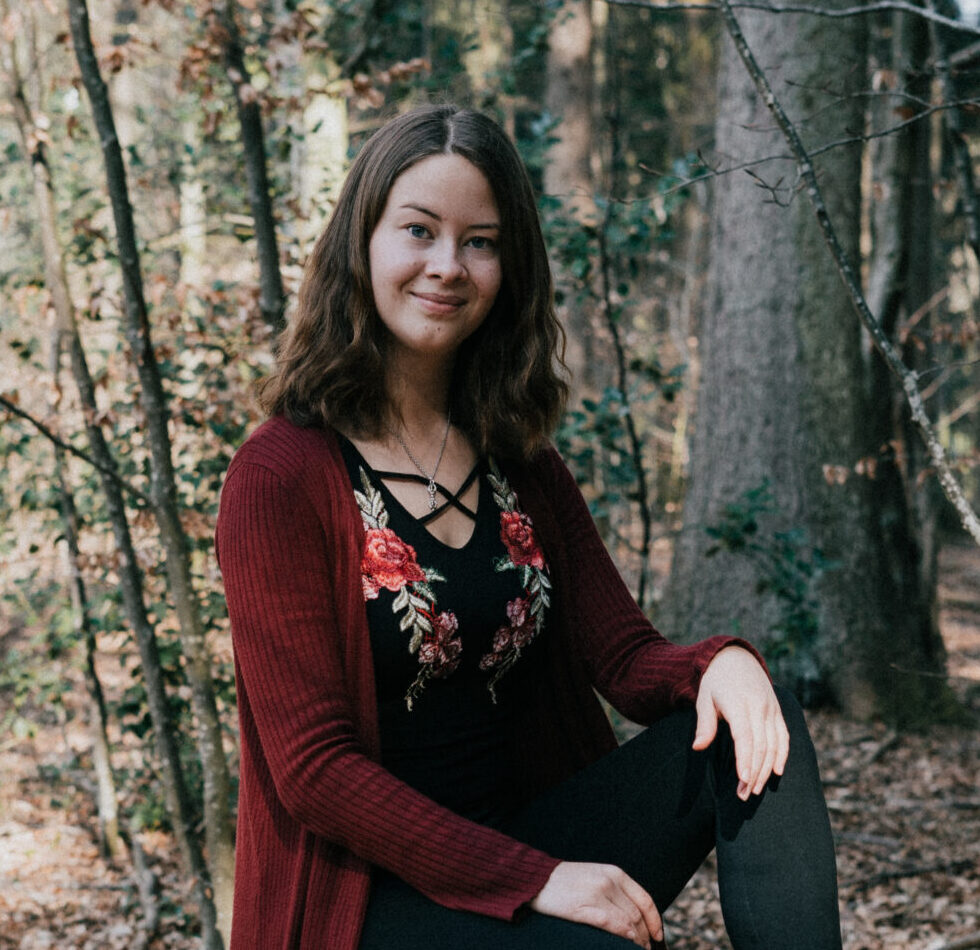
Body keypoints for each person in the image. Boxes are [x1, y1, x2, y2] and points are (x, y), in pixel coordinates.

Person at [215, 103, 842, 950]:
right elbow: (314, 771)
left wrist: (719, 664)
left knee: (761, 728)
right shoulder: (282, 476)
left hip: (533, 835)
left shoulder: (521, 462)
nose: (447, 265)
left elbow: (622, 655)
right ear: (360, 243)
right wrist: (535, 879)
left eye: (479, 241)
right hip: (371, 900)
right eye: (419, 230)